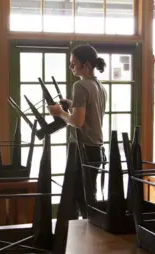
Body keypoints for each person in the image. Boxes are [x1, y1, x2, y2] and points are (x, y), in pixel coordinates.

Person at [47, 44, 107, 219]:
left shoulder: (80, 85)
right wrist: (72, 104)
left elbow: (78, 122)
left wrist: (60, 112)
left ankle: (80, 240)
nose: (70, 67)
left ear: (86, 64)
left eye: (74, 63)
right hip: (96, 148)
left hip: (84, 149)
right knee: (88, 195)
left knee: (77, 198)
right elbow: (91, 111)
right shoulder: (99, 86)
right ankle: (90, 238)